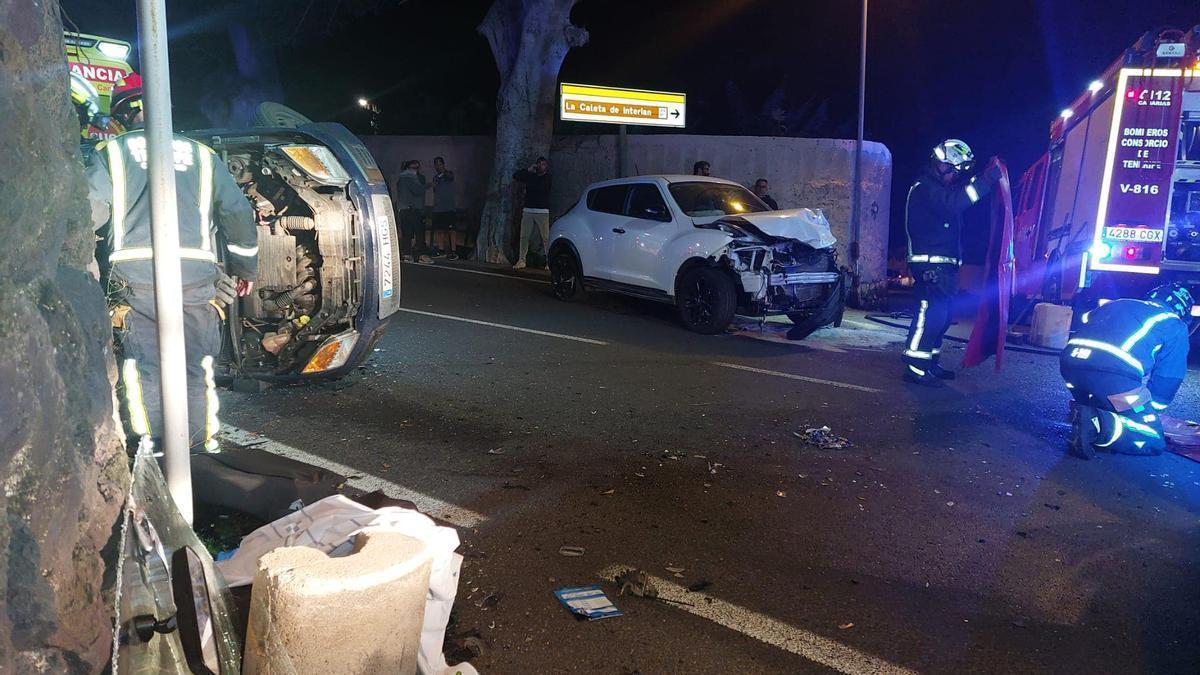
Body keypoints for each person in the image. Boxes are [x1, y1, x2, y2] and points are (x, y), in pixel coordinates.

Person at [85, 84, 258, 454]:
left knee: (146, 366)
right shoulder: (203, 154)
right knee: (195, 368)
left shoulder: (111, 152)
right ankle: (199, 448)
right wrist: (245, 268)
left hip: (136, 276)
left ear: (123, 115)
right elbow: (238, 214)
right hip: (196, 276)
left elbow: (90, 211)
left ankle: (155, 448)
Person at [902, 138, 1000, 385]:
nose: (956, 175)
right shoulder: (925, 187)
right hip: (930, 265)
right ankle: (915, 366)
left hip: (942, 266)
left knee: (942, 317)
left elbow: (955, 199)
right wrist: (985, 181)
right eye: (955, 169)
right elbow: (954, 204)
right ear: (942, 164)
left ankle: (930, 362)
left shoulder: (937, 188)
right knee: (931, 315)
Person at [1060, 284, 1193, 459]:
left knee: (1108, 400)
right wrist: (1149, 410)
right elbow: (1168, 377)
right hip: (1113, 375)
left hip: (1070, 365)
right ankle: (1096, 424)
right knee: (1152, 438)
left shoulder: (1117, 303)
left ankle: (1091, 410)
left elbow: (1086, 321)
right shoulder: (1173, 323)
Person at [512, 156, 552, 270]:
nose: (541, 166)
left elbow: (541, 188)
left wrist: (532, 177)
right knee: (524, 236)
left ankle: (550, 261)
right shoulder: (530, 176)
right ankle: (521, 260)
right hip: (528, 210)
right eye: (539, 164)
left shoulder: (548, 178)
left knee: (545, 237)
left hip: (542, 211)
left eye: (543, 164)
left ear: (546, 167)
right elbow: (516, 176)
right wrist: (528, 170)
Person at [396, 159, 431, 263]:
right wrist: (429, 185)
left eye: (417, 168)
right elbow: (418, 190)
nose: (416, 170)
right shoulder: (410, 177)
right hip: (412, 209)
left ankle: (407, 255)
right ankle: (422, 255)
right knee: (419, 233)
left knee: (407, 233)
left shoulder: (401, 178)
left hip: (404, 209)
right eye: (414, 168)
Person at [430, 156, 459, 259]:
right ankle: (441, 250)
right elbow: (435, 191)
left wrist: (443, 171)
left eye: (439, 163)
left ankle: (454, 251)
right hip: (438, 208)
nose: (437, 166)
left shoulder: (449, 174)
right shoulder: (435, 178)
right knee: (439, 230)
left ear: (443, 164)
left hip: (449, 208)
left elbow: (450, 177)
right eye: (436, 164)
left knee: (452, 230)